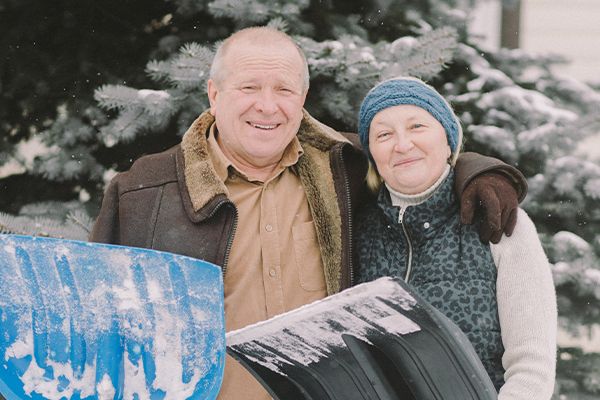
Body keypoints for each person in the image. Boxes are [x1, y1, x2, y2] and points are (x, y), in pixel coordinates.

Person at [90, 28, 528, 400]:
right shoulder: (145, 192)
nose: (267, 105)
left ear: (302, 97)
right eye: (248, 88)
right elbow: (99, 330)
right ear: (214, 93)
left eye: (283, 90)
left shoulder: (343, 167)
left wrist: (481, 174)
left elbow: (414, 156)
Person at [355, 77, 557, 399]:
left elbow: (531, 367)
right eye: (383, 134)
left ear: (448, 141)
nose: (403, 144)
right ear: (372, 154)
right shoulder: (355, 230)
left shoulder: (499, 223)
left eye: (417, 126)